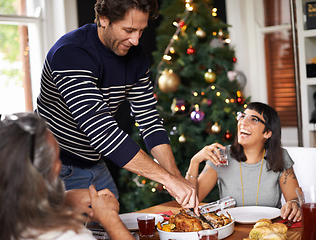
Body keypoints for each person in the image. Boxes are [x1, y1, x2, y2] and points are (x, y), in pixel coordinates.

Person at [35, 0, 198, 210]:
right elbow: (101, 131)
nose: (136, 41)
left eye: (141, 30)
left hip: (95, 162)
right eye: (129, 30)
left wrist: (175, 177)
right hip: (54, 167)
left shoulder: (136, 56)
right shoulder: (70, 53)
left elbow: (149, 120)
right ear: (103, 19)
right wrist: (167, 180)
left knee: (114, 227)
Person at [0, 112, 135, 240]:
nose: (61, 165)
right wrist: (110, 219)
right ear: (40, 178)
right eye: (57, 158)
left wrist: (65, 198)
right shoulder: (66, 235)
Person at [185, 102, 302, 222]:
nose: (243, 122)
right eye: (242, 116)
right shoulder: (221, 156)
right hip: (231, 230)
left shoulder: (280, 156)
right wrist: (194, 162)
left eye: (254, 119)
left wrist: (294, 204)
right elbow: (190, 202)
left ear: (267, 133)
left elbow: (295, 199)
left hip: (268, 230)